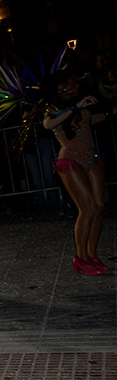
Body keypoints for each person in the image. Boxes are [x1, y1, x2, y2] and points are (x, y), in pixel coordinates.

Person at [41, 70, 113, 274]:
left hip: (91, 158)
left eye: (74, 83)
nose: (73, 86)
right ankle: (80, 257)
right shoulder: (53, 108)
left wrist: (109, 114)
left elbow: (89, 121)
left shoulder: (79, 104)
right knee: (87, 208)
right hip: (70, 160)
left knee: (99, 207)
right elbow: (48, 124)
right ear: (59, 88)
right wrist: (75, 107)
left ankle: (92, 254)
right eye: (68, 83)